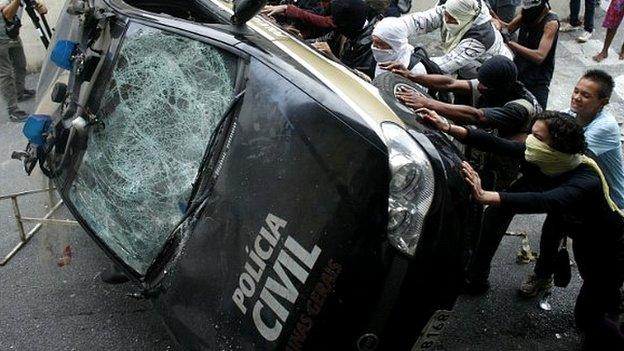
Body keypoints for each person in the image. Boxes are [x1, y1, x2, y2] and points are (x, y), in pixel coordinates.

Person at [420, 108, 624, 349]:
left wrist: (487, 195)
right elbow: (497, 144)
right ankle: (611, 301)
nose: (529, 141)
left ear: (557, 146)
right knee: (599, 295)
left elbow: (549, 200)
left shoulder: (585, 178)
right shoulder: (546, 158)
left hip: (610, 248)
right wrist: (448, 127)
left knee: (587, 319)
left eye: (538, 137)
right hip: (582, 239)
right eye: (531, 133)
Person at [519, 70, 624, 298]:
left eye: (586, 95)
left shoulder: (604, 127)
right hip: (577, 193)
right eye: (576, 91)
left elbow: (564, 156)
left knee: (592, 256)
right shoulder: (569, 115)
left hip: (606, 203)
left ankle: (609, 296)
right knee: (551, 231)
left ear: (602, 102)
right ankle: (542, 275)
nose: (576, 97)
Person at [383, 55, 540, 139]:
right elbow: (450, 84)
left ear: (500, 87)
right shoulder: (494, 84)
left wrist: (426, 102)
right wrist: (411, 75)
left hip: (511, 151)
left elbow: (476, 116)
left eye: (485, 85)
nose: (479, 87)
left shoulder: (519, 108)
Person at [392, 0, 512, 78]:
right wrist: (393, 28)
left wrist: (409, 64)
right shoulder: (455, 7)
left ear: (466, 18)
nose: (447, 20)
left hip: (491, 70)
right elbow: (423, 20)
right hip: (467, 57)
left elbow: (444, 65)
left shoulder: (480, 38)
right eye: (446, 16)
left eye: (452, 19)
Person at [503, 0, 559, 109]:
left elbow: (539, 56)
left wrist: (512, 44)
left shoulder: (551, 23)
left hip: (538, 78)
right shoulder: (525, 12)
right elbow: (508, 29)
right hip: (520, 69)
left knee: (538, 111)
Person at [0, 0, 46, 122]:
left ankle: (19, 92)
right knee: (6, 74)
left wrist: (38, 6)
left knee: (20, 64)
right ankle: (13, 110)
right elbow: (7, 13)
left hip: (11, 31)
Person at [311, 0, 381, 79]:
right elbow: (325, 40)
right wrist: (298, 39)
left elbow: (361, 78)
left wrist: (333, 58)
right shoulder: (344, 26)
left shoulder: (370, 43)